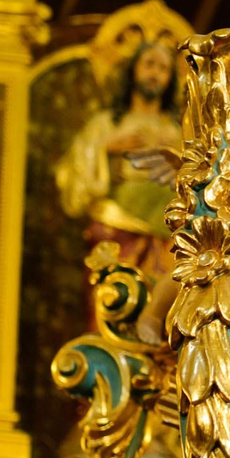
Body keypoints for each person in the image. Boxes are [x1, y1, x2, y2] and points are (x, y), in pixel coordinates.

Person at [56, 40, 182, 279]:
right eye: (149, 64)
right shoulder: (106, 125)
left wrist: (177, 153)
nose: (155, 73)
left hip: (164, 236)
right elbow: (73, 172)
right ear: (133, 70)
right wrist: (105, 149)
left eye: (163, 68)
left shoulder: (177, 131)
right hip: (116, 230)